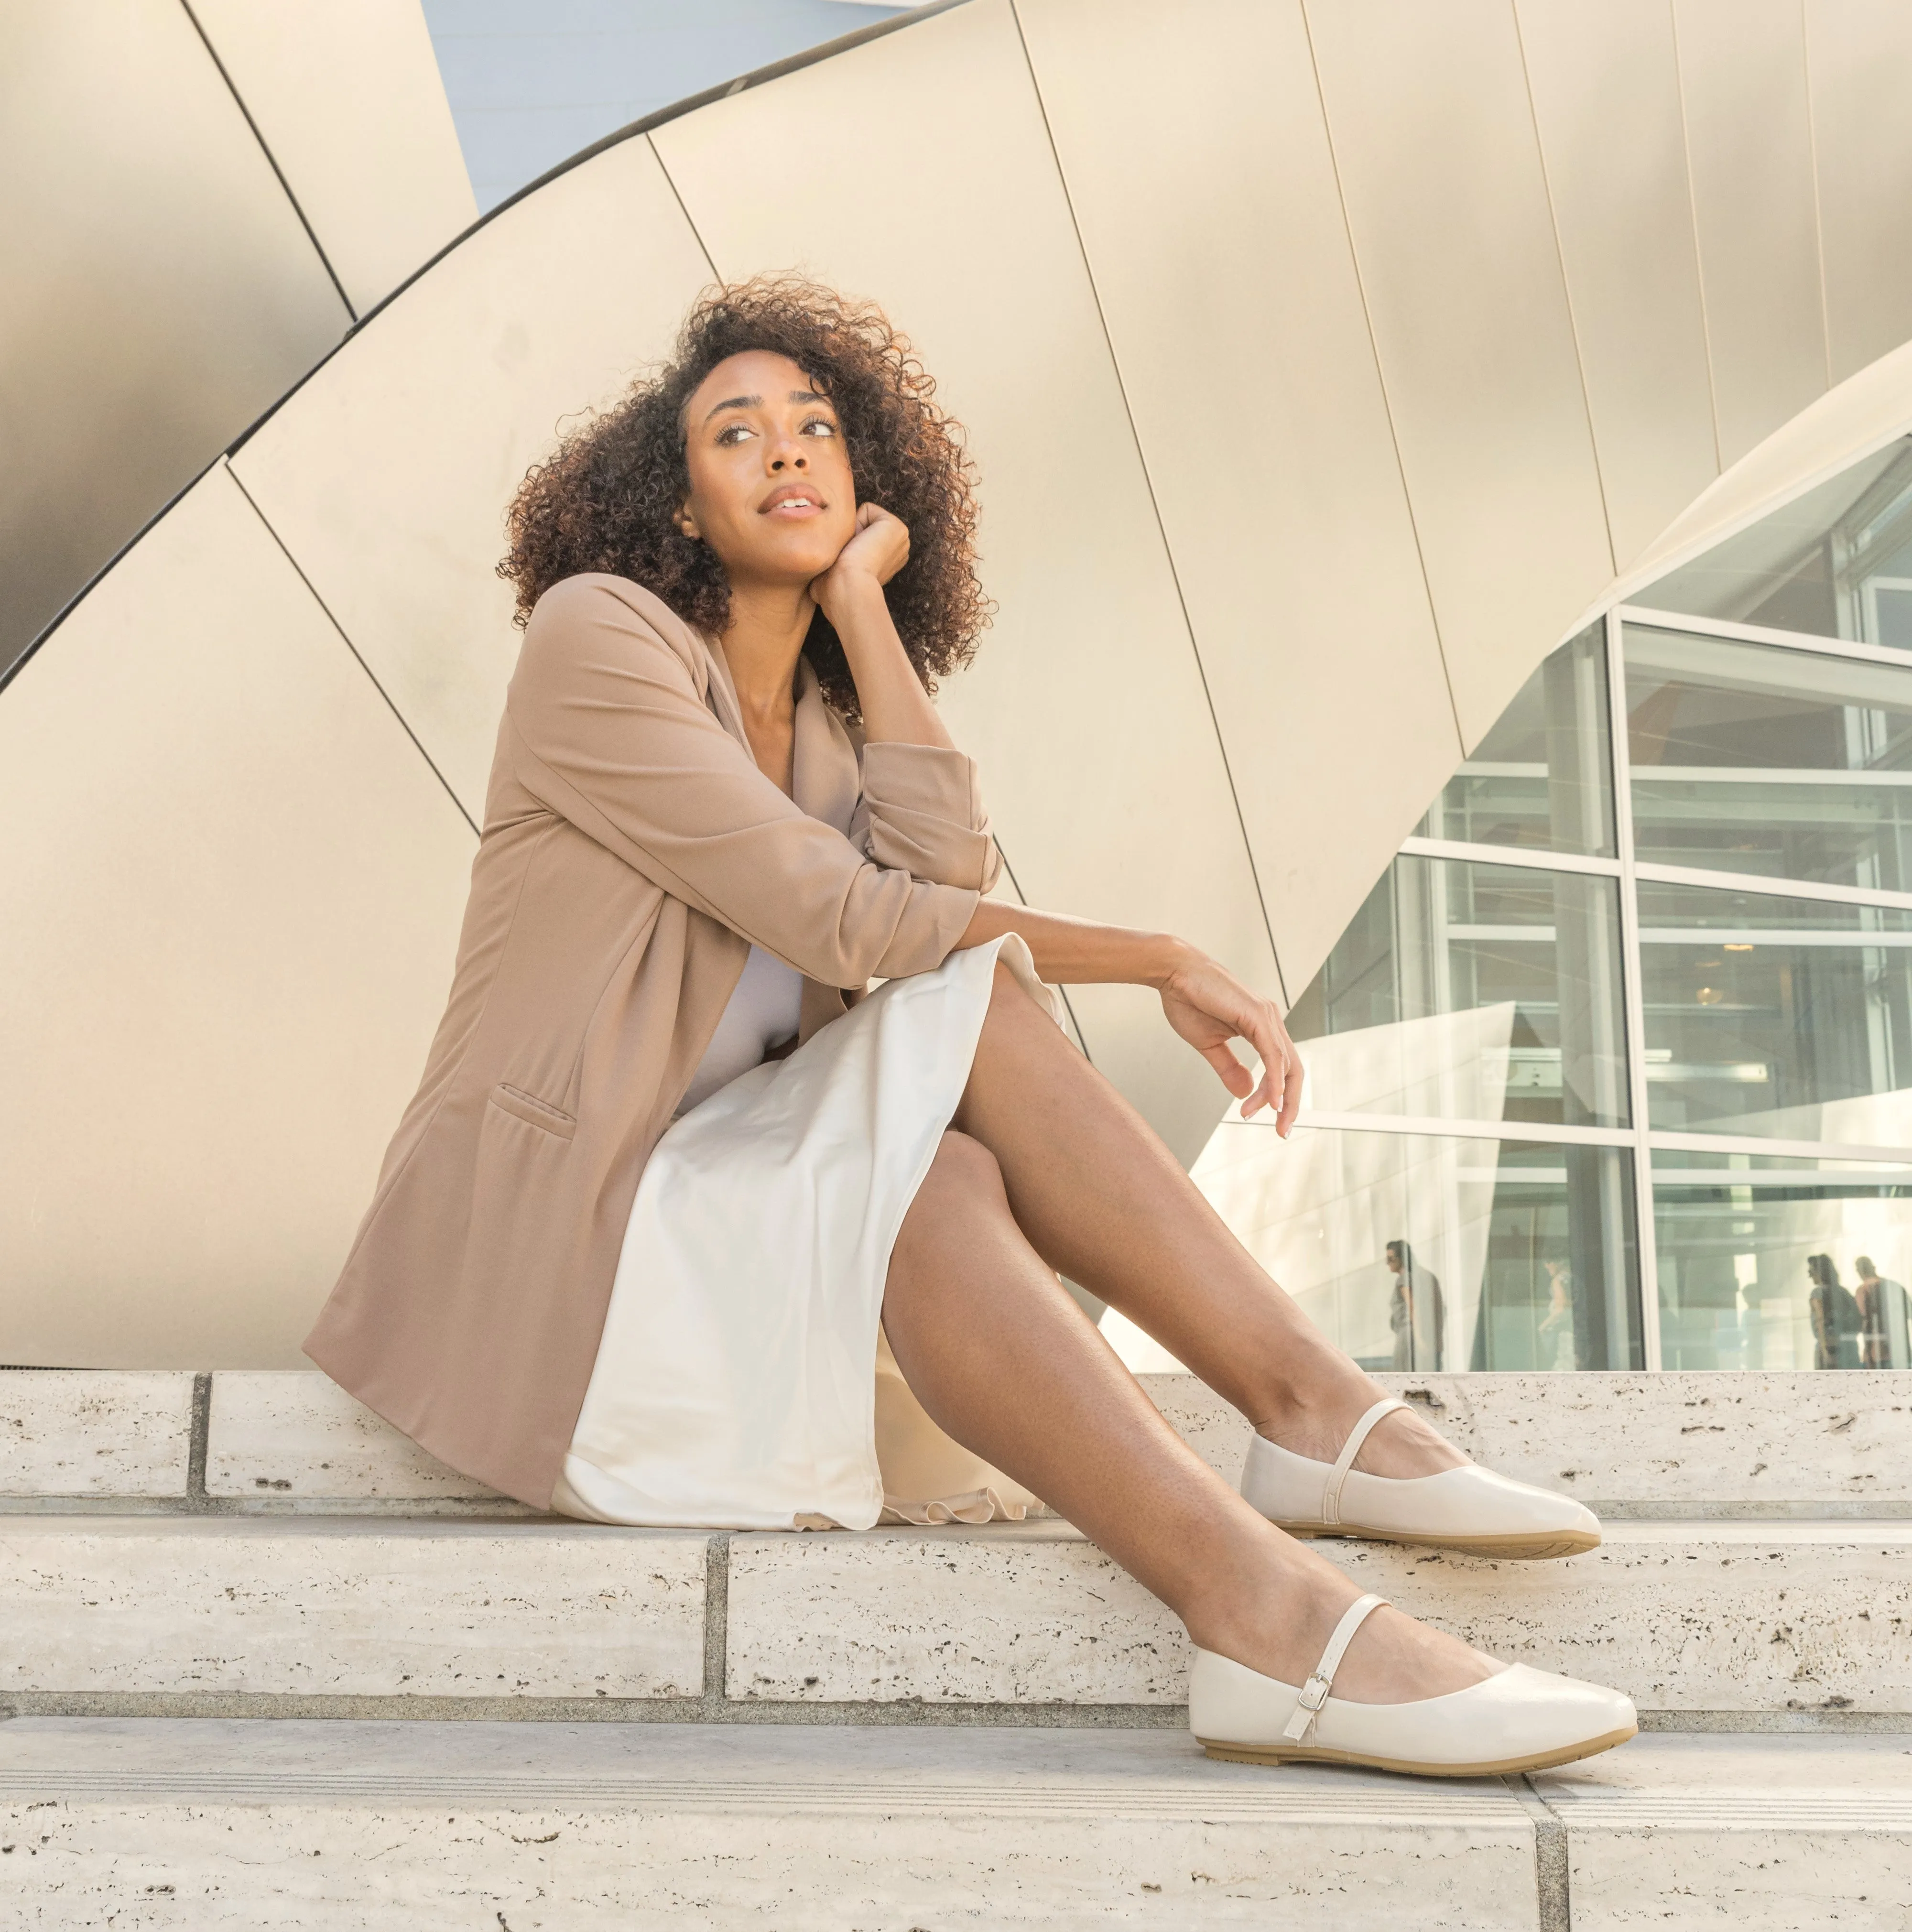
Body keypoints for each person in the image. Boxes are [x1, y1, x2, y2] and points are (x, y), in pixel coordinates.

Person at [303, 279, 1633, 1779]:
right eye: (735, 433)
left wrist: (862, 612)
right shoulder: (596, 639)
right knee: (966, 997)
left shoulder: (815, 721)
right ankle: (1307, 1443)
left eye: (817, 428)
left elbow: (940, 877)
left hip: (740, 1219)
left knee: (944, 1167)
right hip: (584, 1250)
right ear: (672, 502)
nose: (787, 452)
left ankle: (1267, 1587)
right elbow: (857, 924)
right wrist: (1150, 955)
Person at [1385, 1239, 1445, 1372]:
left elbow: (1414, 1307)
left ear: (1401, 1258)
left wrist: (1419, 1340)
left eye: (1391, 1259)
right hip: (1425, 1337)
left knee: (1402, 1378)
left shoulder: (1405, 1280)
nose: (1387, 1263)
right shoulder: (1426, 1276)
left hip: (1409, 1337)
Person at [1807, 1254, 1863, 1369]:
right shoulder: (1844, 1292)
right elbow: (1858, 1321)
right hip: (1849, 1348)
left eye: (1812, 1271)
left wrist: (1825, 1350)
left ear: (1820, 1272)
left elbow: (1820, 1320)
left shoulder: (1818, 1293)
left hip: (1829, 1349)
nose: (1810, 1276)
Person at [1853, 1256, 1906, 1369]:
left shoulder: (1863, 1290)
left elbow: (1863, 1321)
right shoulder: (1893, 1286)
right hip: (1899, 1350)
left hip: (1876, 1353)